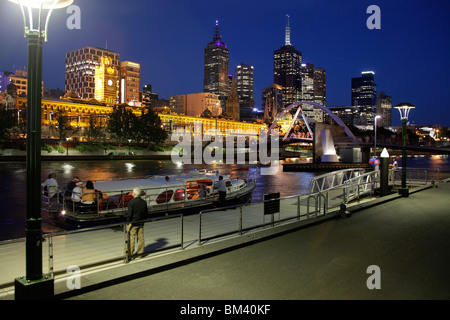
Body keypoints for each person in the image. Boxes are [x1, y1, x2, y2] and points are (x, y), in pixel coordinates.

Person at [127, 187, 148, 259]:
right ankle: (140, 253)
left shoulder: (131, 202)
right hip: (141, 222)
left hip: (133, 223)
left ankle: (130, 255)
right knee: (141, 237)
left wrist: (128, 222)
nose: (132, 193)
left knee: (131, 238)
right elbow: (146, 213)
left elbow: (129, 214)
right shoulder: (144, 202)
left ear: (134, 194)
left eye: (132, 192)